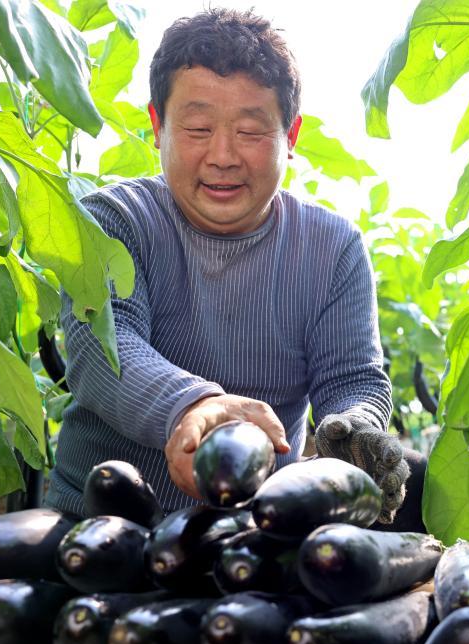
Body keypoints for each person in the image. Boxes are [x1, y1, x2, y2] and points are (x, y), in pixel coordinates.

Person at [43, 8, 426, 531]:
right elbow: (102, 346)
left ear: (290, 135)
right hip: (100, 525)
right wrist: (191, 405)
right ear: (158, 127)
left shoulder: (332, 247)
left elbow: (353, 377)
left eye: (250, 131)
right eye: (198, 128)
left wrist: (354, 426)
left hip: (252, 535)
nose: (222, 156)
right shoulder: (115, 219)